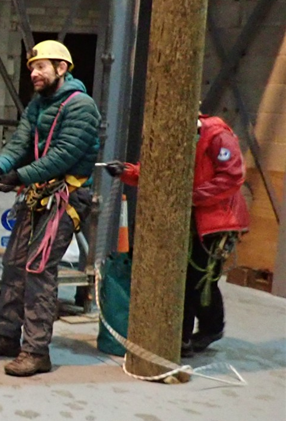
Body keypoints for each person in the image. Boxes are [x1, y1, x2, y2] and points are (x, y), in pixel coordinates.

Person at [0, 40, 101, 377]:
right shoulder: (39, 104)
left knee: (38, 269)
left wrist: (18, 176)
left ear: (62, 68)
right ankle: (7, 335)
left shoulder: (81, 106)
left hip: (66, 195)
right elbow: (20, 141)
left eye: (41, 66)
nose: (33, 73)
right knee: (14, 263)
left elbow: (63, 155)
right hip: (40, 193)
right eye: (32, 67)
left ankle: (36, 350)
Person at [104, 113, 250, 356]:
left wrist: (189, 197)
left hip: (213, 222)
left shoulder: (217, 136)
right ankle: (189, 335)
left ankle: (202, 331)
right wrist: (127, 171)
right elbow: (158, 172)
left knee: (198, 281)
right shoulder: (172, 135)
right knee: (184, 280)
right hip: (187, 216)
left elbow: (231, 176)